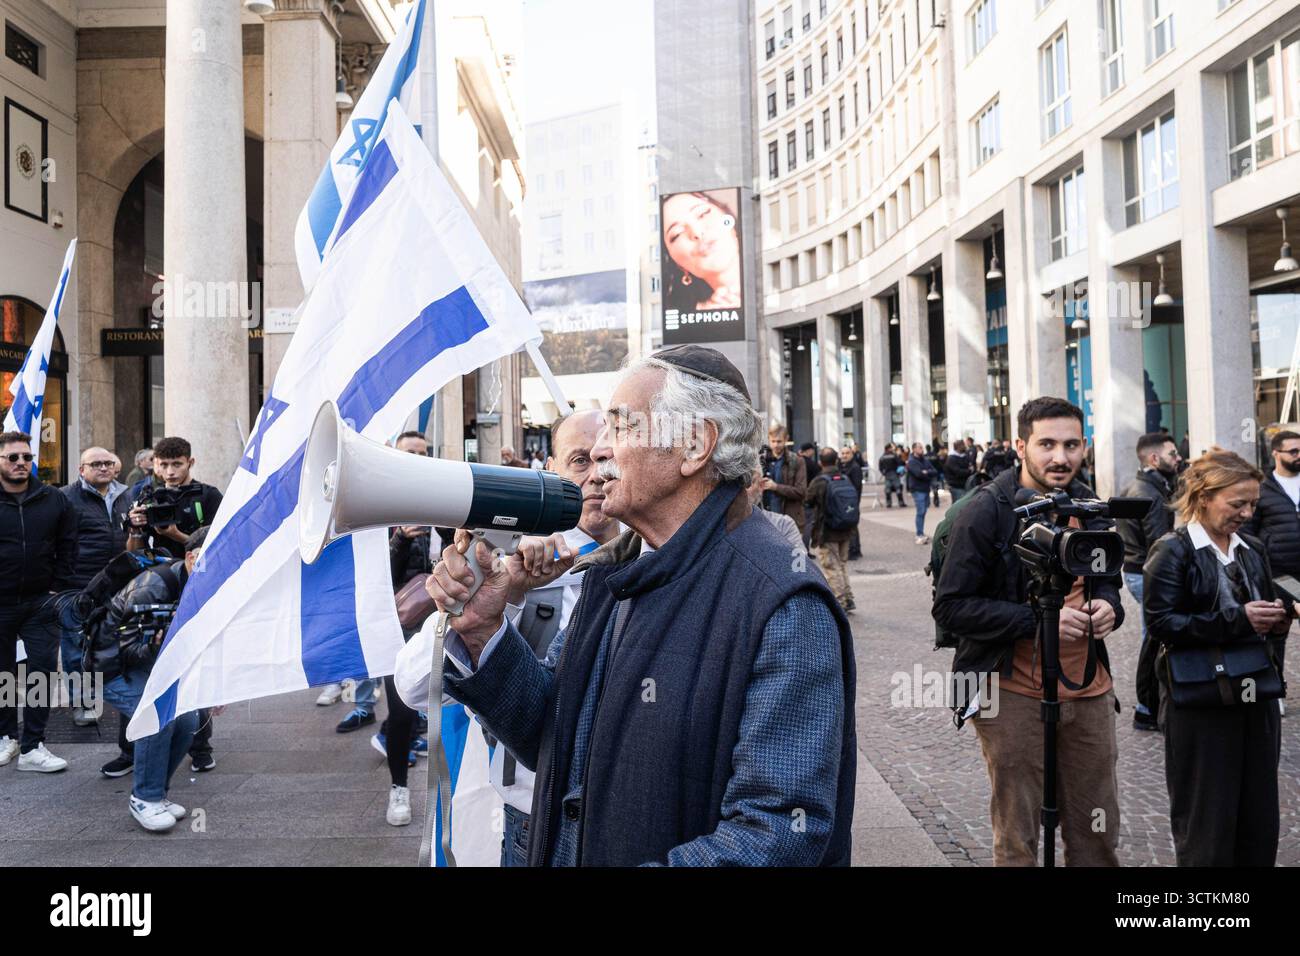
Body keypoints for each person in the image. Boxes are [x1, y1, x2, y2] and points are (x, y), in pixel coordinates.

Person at [399, 345, 856, 865]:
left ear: (694, 445)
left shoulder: (783, 604)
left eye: (620, 426)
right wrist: (483, 633)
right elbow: (553, 735)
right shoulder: (615, 574)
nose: (598, 451)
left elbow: (777, 834)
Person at [932, 397, 1125, 867]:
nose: (1061, 457)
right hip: (1010, 690)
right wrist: (1040, 620)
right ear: (1021, 445)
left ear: (1085, 447)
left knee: (1097, 830)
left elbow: (1108, 584)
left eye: (1072, 444)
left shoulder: (1091, 508)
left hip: (1087, 690)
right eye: (1047, 444)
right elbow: (951, 607)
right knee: (1018, 838)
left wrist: (1108, 608)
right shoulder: (985, 511)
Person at [486, 409, 624, 864]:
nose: (597, 476)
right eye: (578, 461)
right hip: (534, 814)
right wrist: (502, 600)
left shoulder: (652, 553)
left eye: (605, 458)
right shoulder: (517, 555)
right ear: (551, 470)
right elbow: (416, 684)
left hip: (621, 816)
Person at [1144, 449, 1290, 866]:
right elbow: (1162, 624)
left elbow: (1260, 608)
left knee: (1258, 812)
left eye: (1254, 504)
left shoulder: (1251, 547)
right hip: (1199, 698)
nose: (1247, 512)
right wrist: (1237, 619)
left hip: (1255, 692)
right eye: (1237, 503)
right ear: (1204, 496)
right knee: (1206, 815)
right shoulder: (1172, 550)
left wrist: (1278, 618)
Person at [98, 527, 208, 831]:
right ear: (189, 557)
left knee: (187, 718)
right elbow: (127, 650)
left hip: (147, 663)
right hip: (105, 666)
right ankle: (144, 798)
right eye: (206, 558)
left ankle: (158, 794)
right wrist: (156, 645)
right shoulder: (152, 587)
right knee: (157, 717)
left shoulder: (200, 585)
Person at [0, 431, 77, 772]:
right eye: (13, 457)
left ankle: (33, 745)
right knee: (2, 673)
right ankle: (6, 737)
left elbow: (69, 543)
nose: (21, 463)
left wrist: (58, 586)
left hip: (40, 603)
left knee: (41, 673)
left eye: (27, 458)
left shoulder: (53, 499)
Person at [60, 447, 132, 727]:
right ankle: (83, 703)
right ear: (82, 469)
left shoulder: (127, 495)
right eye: (96, 464)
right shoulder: (66, 497)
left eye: (108, 463)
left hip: (117, 583)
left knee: (115, 640)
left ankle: (117, 696)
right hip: (78, 583)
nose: (103, 468)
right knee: (75, 647)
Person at [1116, 431, 1181, 731]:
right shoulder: (1149, 492)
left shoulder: (1147, 486)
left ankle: (1148, 706)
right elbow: (1158, 542)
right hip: (1145, 571)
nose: (1178, 458)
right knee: (1154, 640)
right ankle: (1147, 708)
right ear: (1154, 459)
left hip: (1138, 569)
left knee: (1151, 638)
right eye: (1172, 454)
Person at [1243, 428, 1300, 714]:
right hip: (1280, 575)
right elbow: (1250, 532)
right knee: (1277, 633)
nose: (1299, 456)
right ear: (1276, 453)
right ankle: (1275, 688)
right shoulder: (1264, 488)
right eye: (1293, 451)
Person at [661, 190, 742, 313]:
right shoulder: (692, 321)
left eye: (702, 214)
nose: (697, 232)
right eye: (677, 234)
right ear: (677, 264)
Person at [806, 448, 856, 611]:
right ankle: (849, 598)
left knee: (831, 567)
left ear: (820, 462)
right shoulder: (844, 478)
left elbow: (808, 500)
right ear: (836, 461)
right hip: (846, 530)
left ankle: (840, 602)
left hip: (827, 532)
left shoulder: (819, 481)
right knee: (842, 564)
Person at [761, 424, 808, 544]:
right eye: (773, 441)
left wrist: (776, 487)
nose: (776, 445)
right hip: (766, 520)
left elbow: (801, 492)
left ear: (786, 439)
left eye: (779, 441)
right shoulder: (762, 460)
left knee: (792, 560)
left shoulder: (797, 461)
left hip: (790, 520)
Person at [906, 441, 938, 545]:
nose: (922, 449)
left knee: (923, 511)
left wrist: (926, 472)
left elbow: (934, 471)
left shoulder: (925, 460)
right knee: (921, 511)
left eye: (922, 447)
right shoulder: (911, 461)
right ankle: (919, 534)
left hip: (925, 488)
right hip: (917, 489)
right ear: (914, 449)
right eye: (919, 447)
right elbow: (918, 474)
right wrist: (925, 472)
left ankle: (921, 532)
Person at [839, 445, 864, 560]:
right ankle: (853, 548)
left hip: (852, 501)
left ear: (852, 454)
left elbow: (856, 486)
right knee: (850, 524)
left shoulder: (854, 467)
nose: (844, 455)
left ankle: (855, 550)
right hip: (845, 501)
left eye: (847, 453)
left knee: (852, 525)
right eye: (842, 453)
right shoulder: (841, 466)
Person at [879, 443, 904, 508]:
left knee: (888, 489)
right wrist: (899, 472)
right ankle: (901, 502)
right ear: (889, 448)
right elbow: (900, 463)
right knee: (898, 488)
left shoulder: (882, 457)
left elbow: (880, 467)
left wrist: (883, 473)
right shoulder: (894, 455)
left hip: (887, 475)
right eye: (891, 448)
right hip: (894, 473)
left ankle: (888, 503)